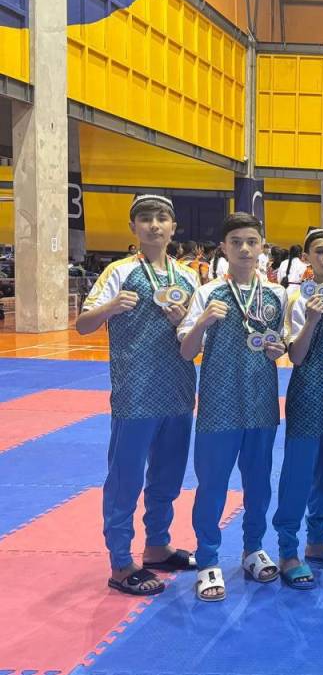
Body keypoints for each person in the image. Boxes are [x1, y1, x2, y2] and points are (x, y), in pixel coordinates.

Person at [77, 194, 200, 597]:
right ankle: (120, 562)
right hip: (136, 392)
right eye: (145, 218)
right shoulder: (119, 271)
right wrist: (111, 307)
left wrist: (185, 321)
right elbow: (83, 325)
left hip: (179, 389)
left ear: (173, 227)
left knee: (168, 475)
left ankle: (157, 546)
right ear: (133, 227)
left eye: (161, 218)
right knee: (125, 478)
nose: (154, 225)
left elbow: (196, 336)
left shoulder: (188, 277)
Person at [179, 212, 289, 602]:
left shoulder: (276, 294)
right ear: (224, 248)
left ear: (262, 247)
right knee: (213, 485)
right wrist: (202, 322)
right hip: (218, 406)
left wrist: (278, 349)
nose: (244, 248)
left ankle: (252, 549)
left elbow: (281, 343)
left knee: (259, 484)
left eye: (251, 242)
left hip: (262, 404)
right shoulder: (208, 293)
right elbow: (186, 351)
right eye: (236, 242)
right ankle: (208, 558)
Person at [273, 228, 323, 589]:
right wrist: (311, 320)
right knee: (299, 473)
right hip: (308, 392)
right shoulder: (297, 298)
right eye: (319, 251)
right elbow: (296, 355)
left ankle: (317, 542)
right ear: (307, 258)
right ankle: (288, 551)